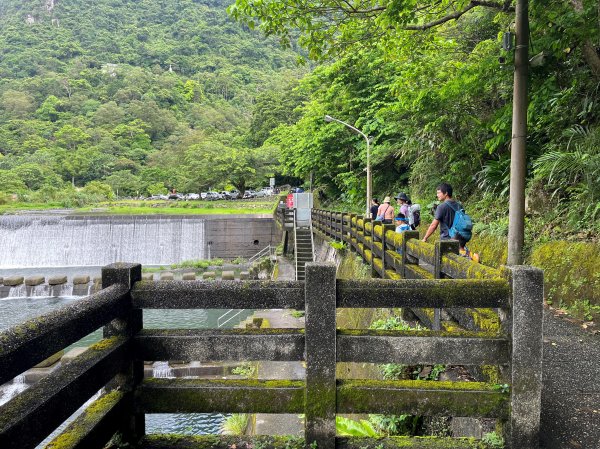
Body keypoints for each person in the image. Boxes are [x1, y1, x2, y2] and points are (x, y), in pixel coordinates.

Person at [422, 182, 468, 250]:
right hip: (459, 240)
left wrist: (425, 238)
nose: (437, 195)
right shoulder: (459, 205)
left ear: (446, 193)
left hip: (446, 240)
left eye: (439, 193)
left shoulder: (441, 207)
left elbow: (433, 225)